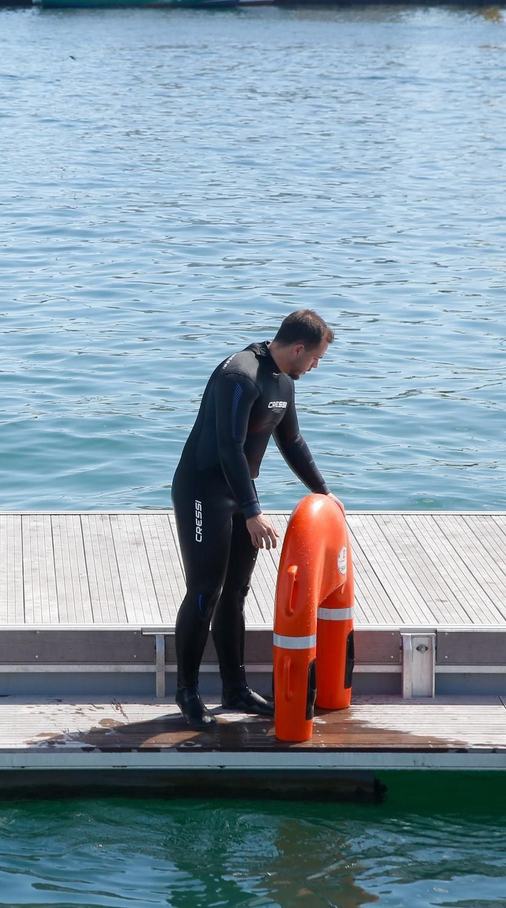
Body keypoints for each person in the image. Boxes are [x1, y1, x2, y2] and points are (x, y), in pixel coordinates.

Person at [169, 310, 338, 728]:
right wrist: (253, 513)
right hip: (203, 491)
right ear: (298, 348)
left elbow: (292, 440)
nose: (315, 366)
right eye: (316, 358)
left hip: (241, 494)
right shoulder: (239, 375)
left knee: (236, 593)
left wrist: (325, 494)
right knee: (206, 589)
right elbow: (229, 448)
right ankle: (187, 693)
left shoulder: (282, 381)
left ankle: (235, 689)